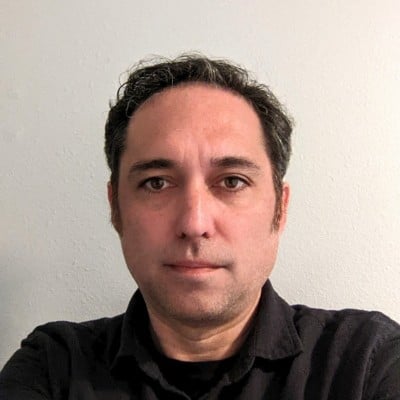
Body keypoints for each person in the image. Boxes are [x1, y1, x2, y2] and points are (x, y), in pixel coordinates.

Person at [1, 54, 399, 400]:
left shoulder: (368, 362)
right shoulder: (53, 367)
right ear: (115, 207)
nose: (194, 224)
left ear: (280, 208)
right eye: (156, 183)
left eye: (232, 181)